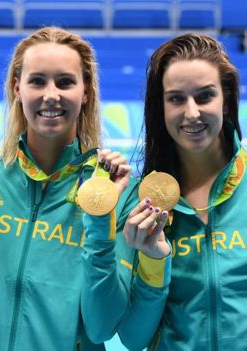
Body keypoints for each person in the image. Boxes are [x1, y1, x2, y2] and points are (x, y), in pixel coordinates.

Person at [0, 27, 132, 350]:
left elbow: (102, 327)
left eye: (65, 82)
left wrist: (99, 220)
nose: (51, 94)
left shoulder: (115, 190)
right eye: (37, 81)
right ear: (17, 89)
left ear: (86, 92)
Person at [85, 33, 245, 351]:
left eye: (204, 96)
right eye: (176, 99)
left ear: (226, 99)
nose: (192, 113)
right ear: (160, 106)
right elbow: (133, 339)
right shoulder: (142, 203)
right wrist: (154, 259)